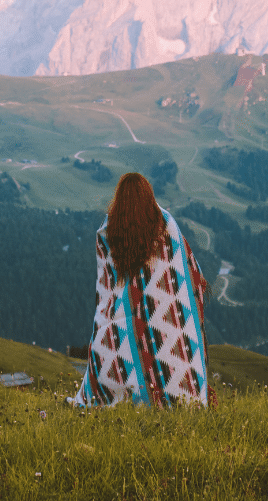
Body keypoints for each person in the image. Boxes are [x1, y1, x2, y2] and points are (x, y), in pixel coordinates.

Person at [72, 172, 211, 408]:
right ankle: (172, 394)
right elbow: (188, 270)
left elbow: (107, 285)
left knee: (112, 346)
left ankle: (116, 393)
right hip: (163, 319)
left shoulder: (108, 231)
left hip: (118, 320)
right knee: (172, 347)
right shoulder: (165, 224)